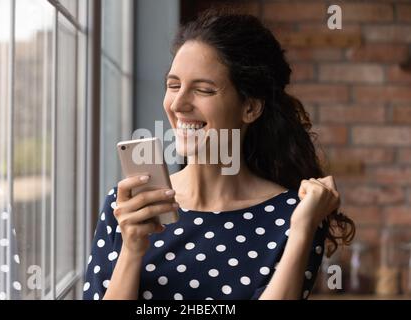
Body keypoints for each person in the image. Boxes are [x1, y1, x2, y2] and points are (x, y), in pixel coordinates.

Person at [83, 9, 355, 300]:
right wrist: (132, 250)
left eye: (203, 90)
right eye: (173, 85)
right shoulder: (131, 206)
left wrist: (302, 229)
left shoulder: (296, 215)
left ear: (250, 108)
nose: (178, 104)